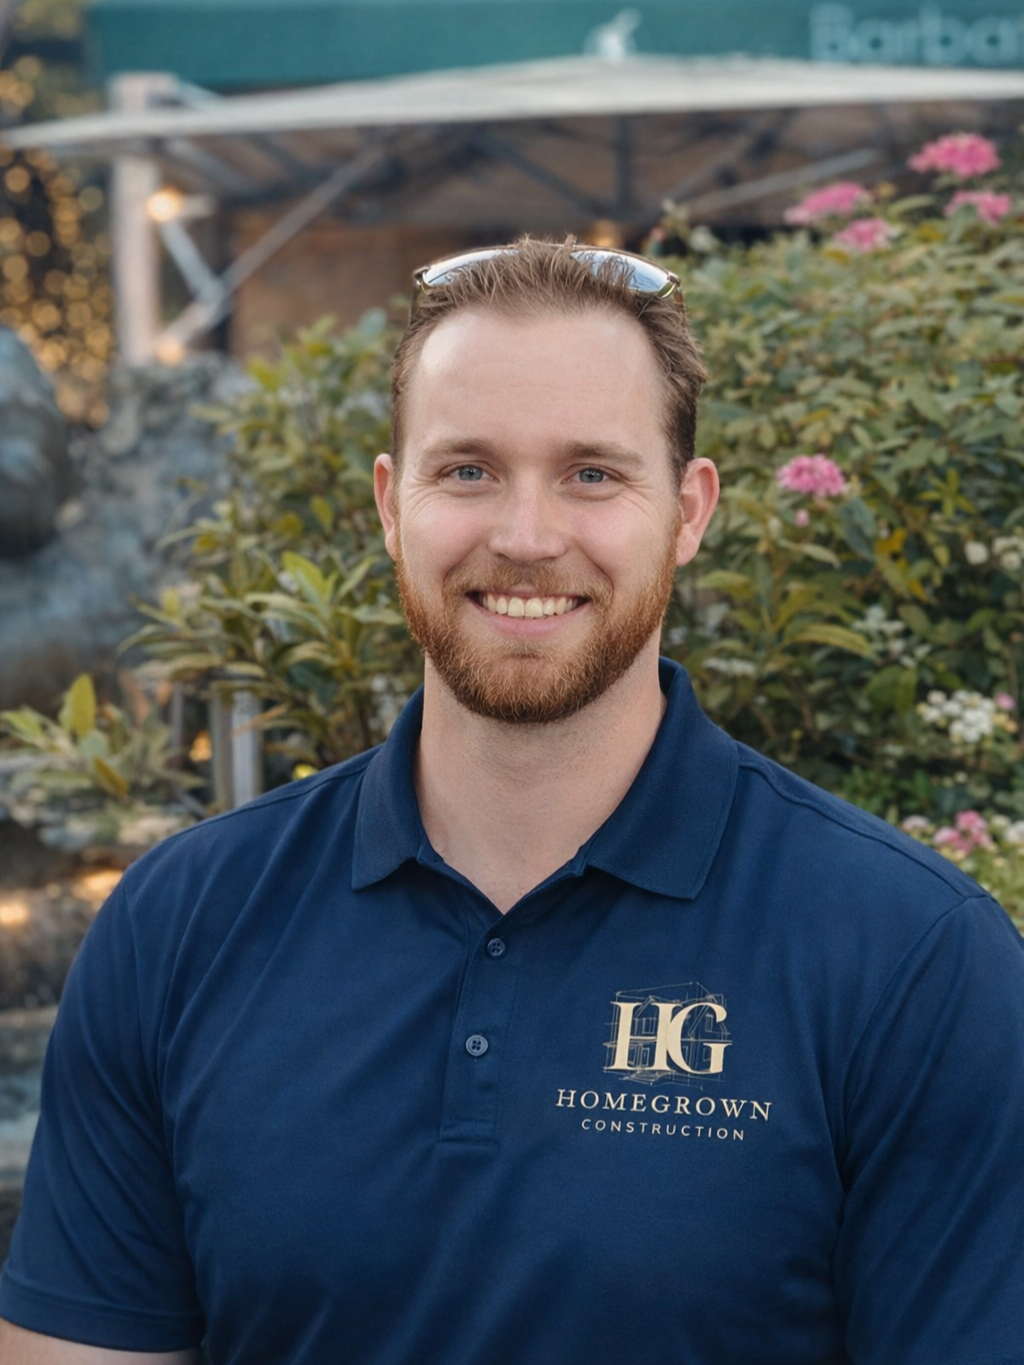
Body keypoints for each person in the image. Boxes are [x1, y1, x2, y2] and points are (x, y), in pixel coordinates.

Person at [1, 239, 1022, 1365]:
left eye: (592, 473)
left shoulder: (913, 954)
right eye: (468, 470)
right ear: (392, 505)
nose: (526, 538)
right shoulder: (179, 925)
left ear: (688, 511)